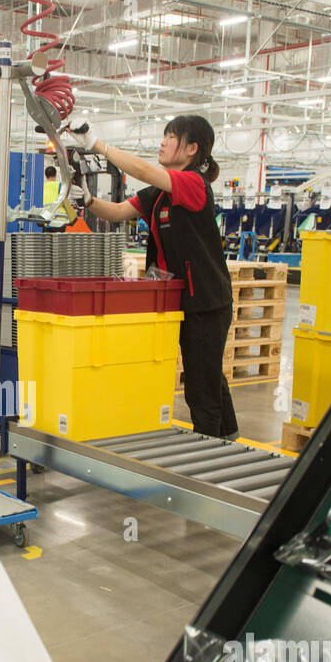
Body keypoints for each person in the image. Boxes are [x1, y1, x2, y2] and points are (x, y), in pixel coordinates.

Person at [65, 115, 237, 438]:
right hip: (185, 301)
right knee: (209, 376)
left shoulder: (193, 184)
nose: (163, 142)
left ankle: (208, 458)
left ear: (191, 149)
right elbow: (117, 212)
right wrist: (86, 200)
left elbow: (143, 170)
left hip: (207, 304)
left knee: (201, 388)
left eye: (170, 137)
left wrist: (97, 145)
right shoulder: (157, 194)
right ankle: (229, 440)